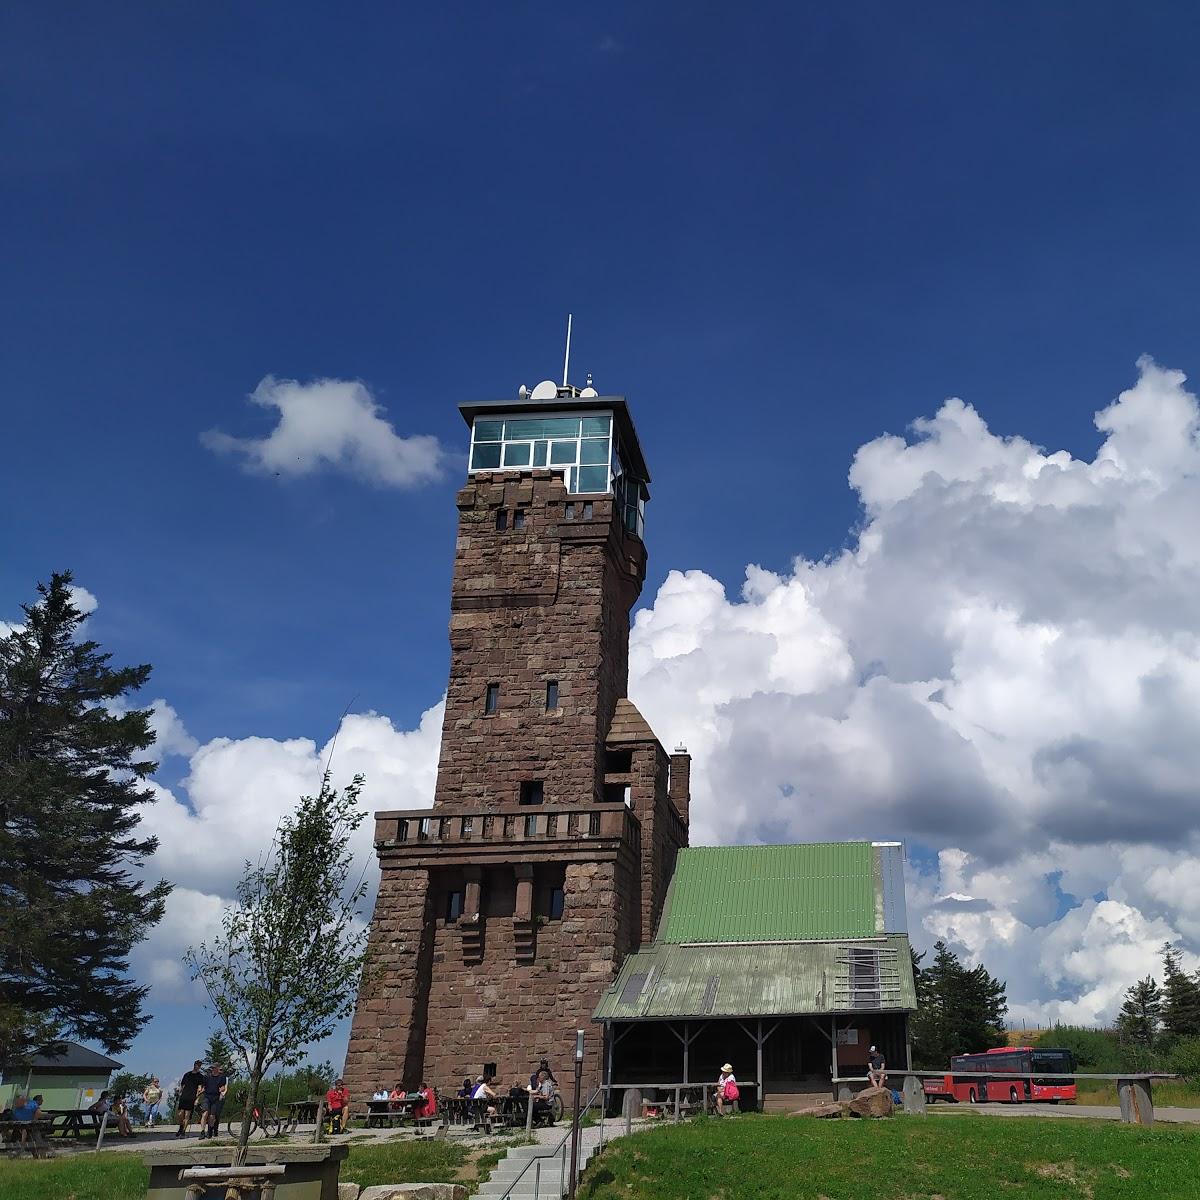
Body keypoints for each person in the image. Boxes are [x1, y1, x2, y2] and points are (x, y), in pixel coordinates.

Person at [176, 1059, 205, 1138]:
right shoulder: (187, 1074)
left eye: (199, 1065)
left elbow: (200, 1088)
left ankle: (183, 1132)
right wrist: (179, 1093)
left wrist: (197, 1098)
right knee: (180, 1114)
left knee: (187, 1115)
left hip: (192, 1096)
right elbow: (182, 1085)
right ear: (194, 1065)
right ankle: (181, 1126)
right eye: (197, 1065)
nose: (198, 1066)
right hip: (184, 1095)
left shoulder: (200, 1076)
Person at [198, 1063, 228, 1140]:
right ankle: (202, 1131)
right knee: (205, 1113)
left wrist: (222, 1089)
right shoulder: (207, 1077)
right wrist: (199, 1093)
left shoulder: (222, 1077)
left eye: (214, 1068)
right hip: (207, 1097)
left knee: (212, 1116)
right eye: (212, 1068)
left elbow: (223, 1086)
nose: (213, 1069)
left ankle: (210, 1130)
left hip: (216, 1097)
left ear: (217, 1068)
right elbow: (203, 1086)